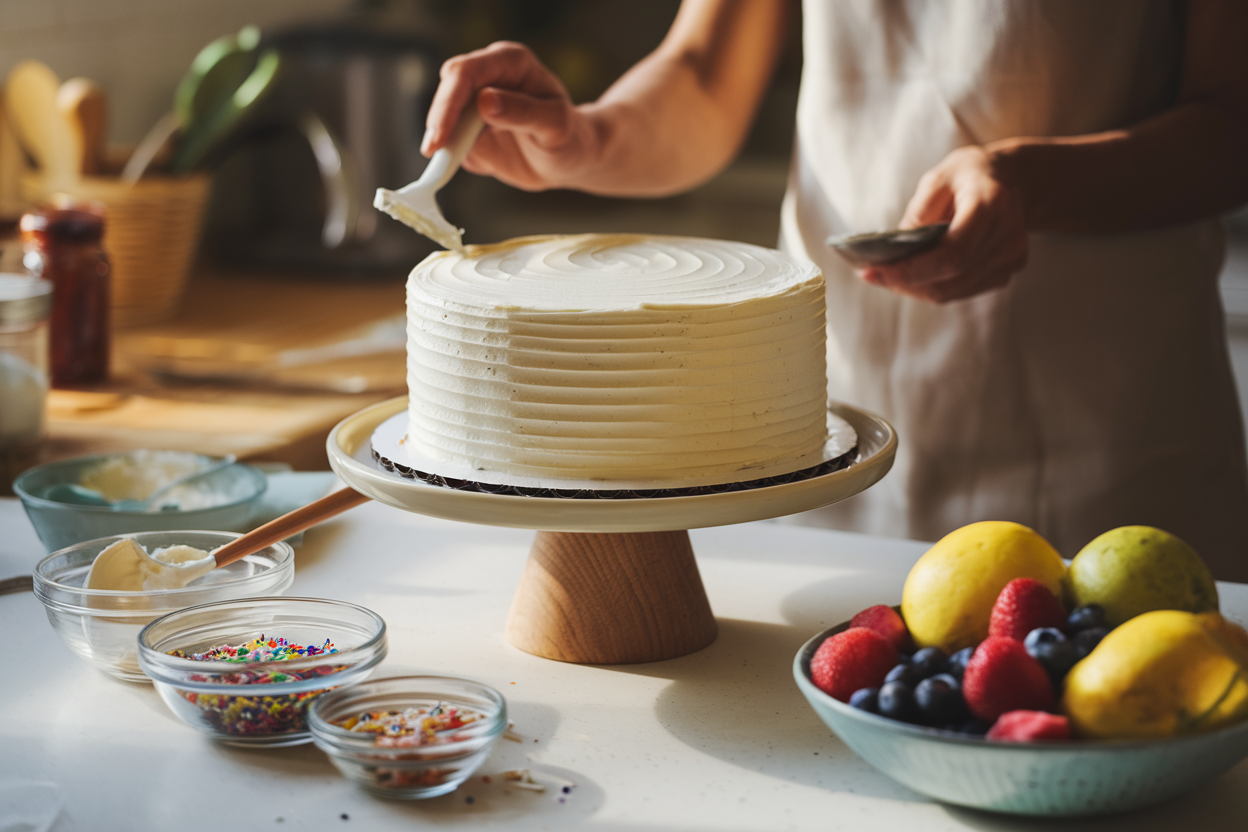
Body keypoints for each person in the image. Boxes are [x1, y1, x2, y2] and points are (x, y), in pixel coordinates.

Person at [420, 0, 1248, 580]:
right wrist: (585, 139)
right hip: (826, 427)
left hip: (1109, 429)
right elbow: (705, 74)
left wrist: (1033, 183)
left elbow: (1231, 124)